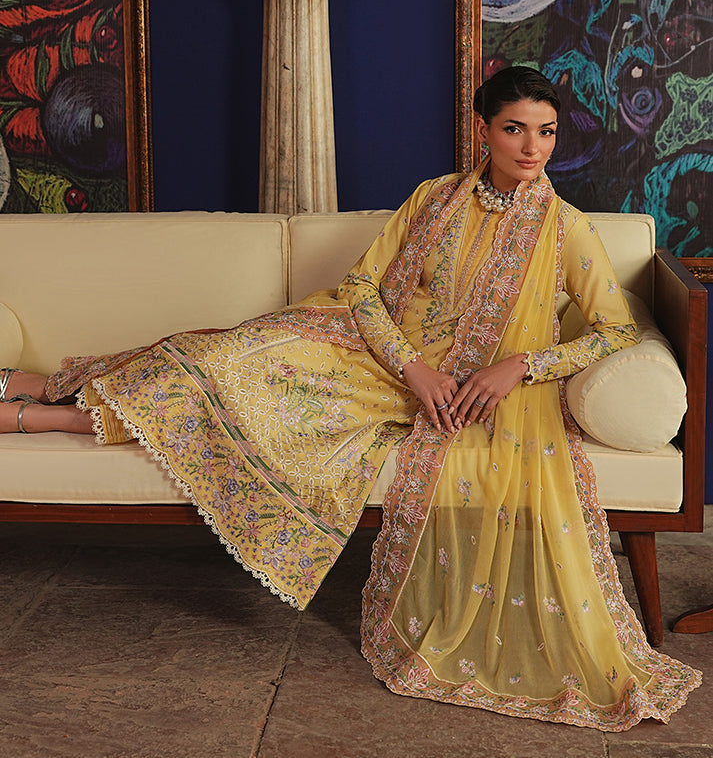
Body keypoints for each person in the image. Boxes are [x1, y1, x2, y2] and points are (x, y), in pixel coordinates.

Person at [0, 66, 701, 729]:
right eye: (514, 128)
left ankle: (33, 415)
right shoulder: (435, 198)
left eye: (545, 131)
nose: (532, 147)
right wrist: (412, 366)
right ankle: (41, 384)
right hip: (368, 353)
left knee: (234, 393)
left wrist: (520, 365)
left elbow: (615, 329)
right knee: (214, 356)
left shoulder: (566, 227)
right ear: (482, 129)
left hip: (450, 392)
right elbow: (363, 287)